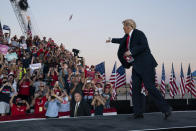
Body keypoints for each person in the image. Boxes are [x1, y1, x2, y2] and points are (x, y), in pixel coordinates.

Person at [106, 19, 172, 119]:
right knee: (135, 90)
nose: (123, 29)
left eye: (124, 27)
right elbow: (121, 41)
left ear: (129, 26)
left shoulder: (139, 33)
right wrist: (111, 40)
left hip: (146, 65)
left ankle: (166, 109)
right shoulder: (127, 36)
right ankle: (138, 112)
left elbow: (144, 45)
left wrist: (131, 51)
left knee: (150, 87)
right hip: (136, 66)